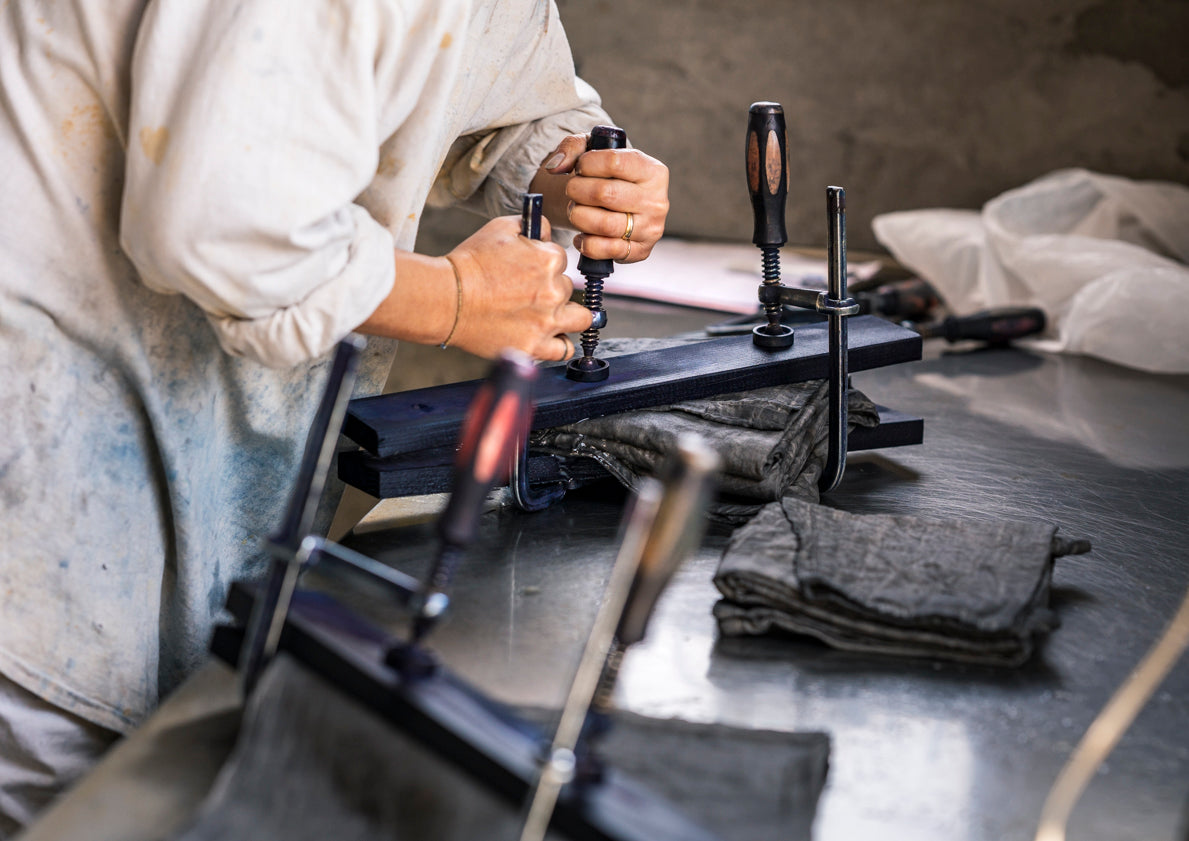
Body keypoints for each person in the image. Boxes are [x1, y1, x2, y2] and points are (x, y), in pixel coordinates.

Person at [0, 0, 669, 834]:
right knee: (76, 794)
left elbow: (475, 65)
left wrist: (565, 163)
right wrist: (455, 298)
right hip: (46, 430)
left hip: (201, 425)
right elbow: (226, 231)